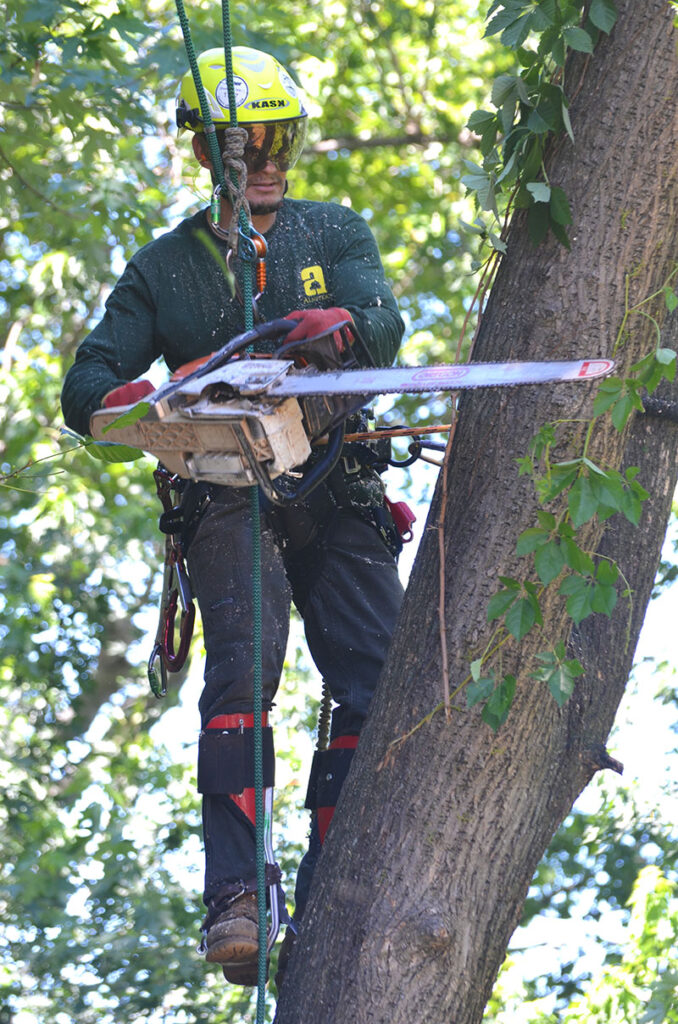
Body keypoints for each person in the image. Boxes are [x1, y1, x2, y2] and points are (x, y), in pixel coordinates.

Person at [61, 45, 405, 986]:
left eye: (274, 137)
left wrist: (338, 330)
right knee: (243, 674)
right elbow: (84, 387)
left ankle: (339, 875)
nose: (262, 159)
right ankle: (238, 898)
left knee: (380, 680)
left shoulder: (330, 233)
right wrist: (143, 397)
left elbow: (385, 324)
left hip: (335, 483)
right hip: (222, 494)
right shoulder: (163, 268)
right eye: (241, 141)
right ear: (205, 149)